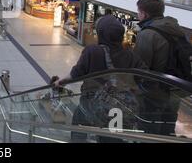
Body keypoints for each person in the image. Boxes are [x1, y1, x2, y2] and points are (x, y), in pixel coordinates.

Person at [54, 15, 147, 143]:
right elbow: (144, 76)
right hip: (118, 109)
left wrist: (59, 82)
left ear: (101, 33)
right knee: (111, 138)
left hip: (90, 103)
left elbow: (75, 74)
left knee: (79, 129)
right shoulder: (130, 55)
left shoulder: (92, 51)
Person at [133, 0, 191, 136]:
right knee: (168, 126)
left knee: (149, 129)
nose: (137, 15)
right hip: (175, 90)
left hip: (154, 93)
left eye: (139, 12)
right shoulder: (177, 29)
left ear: (145, 14)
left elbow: (140, 67)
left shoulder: (147, 34)